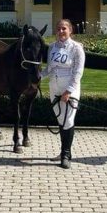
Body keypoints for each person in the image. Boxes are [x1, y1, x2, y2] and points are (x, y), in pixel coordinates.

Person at [41, 19, 85, 169]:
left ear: (70, 30)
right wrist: (36, 76)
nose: (61, 32)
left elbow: (78, 73)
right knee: (61, 120)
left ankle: (66, 155)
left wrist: (68, 91)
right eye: (58, 29)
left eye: (64, 29)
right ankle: (63, 152)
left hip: (69, 89)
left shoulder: (77, 48)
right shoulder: (52, 47)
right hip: (54, 88)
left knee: (68, 120)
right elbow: (49, 69)